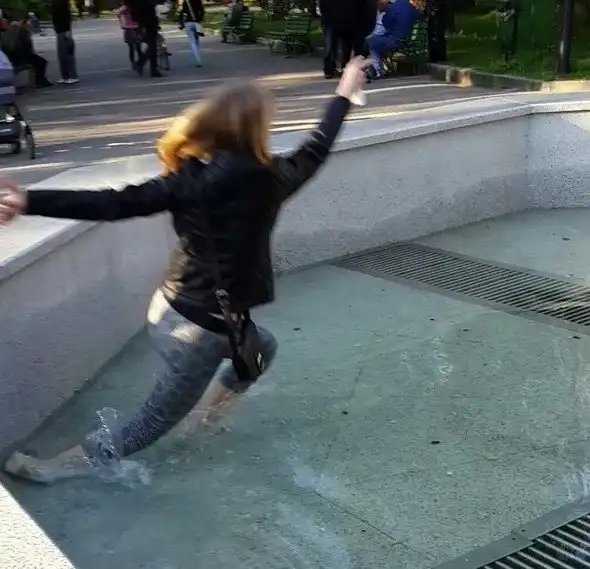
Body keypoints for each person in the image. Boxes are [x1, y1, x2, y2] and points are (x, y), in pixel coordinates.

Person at [0, 57, 369, 486]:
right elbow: (317, 147)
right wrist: (343, 94)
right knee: (150, 425)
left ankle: (207, 421)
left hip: (176, 308)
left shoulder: (191, 179)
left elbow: (113, 203)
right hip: (198, 330)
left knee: (260, 351)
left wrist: (30, 200)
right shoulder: (272, 178)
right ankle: (48, 470)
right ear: (256, 129)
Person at [319, 0, 374, 79]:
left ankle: (333, 69)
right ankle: (346, 68)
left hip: (335, 20)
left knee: (336, 46)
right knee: (349, 46)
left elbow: (323, 6)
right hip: (350, 20)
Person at [367, 0, 420, 79]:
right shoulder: (408, 6)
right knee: (375, 43)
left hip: (396, 41)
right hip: (406, 39)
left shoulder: (391, 9)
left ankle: (378, 71)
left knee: (371, 42)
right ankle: (379, 69)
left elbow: (386, 25)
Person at [1, 19, 52, 88]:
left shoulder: (8, 30)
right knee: (41, 62)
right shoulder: (22, 30)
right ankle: (40, 81)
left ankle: (40, 81)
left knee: (37, 60)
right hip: (19, 56)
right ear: (24, 23)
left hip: (10, 56)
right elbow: (27, 44)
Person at [128, 0, 161, 78]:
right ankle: (140, 63)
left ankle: (154, 70)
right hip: (148, 20)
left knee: (152, 45)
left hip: (143, 20)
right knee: (152, 46)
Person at [51, 0, 79, 84]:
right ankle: (65, 76)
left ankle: (73, 76)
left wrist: (68, 30)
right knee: (61, 55)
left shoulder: (62, 2)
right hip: (59, 30)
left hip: (64, 30)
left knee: (67, 54)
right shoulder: (54, 2)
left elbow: (66, 16)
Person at [178, 0, 204, 67]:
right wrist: (200, 19)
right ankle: (198, 59)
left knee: (193, 43)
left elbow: (182, 12)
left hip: (189, 22)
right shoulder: (198, 1)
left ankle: (198, 61)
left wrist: (181, 23)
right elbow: (202, 11)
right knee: (197, 41)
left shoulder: (186, 1)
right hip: (198, 23)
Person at [117, 0, 142, 67]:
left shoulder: (136, 7)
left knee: (137, 48)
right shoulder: (125, 7)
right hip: (129, 28)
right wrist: (122, 24)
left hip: (136, 28)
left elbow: (118, 14)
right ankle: (134, 64)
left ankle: (139, 63)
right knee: (133, 48)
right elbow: (118, 14)